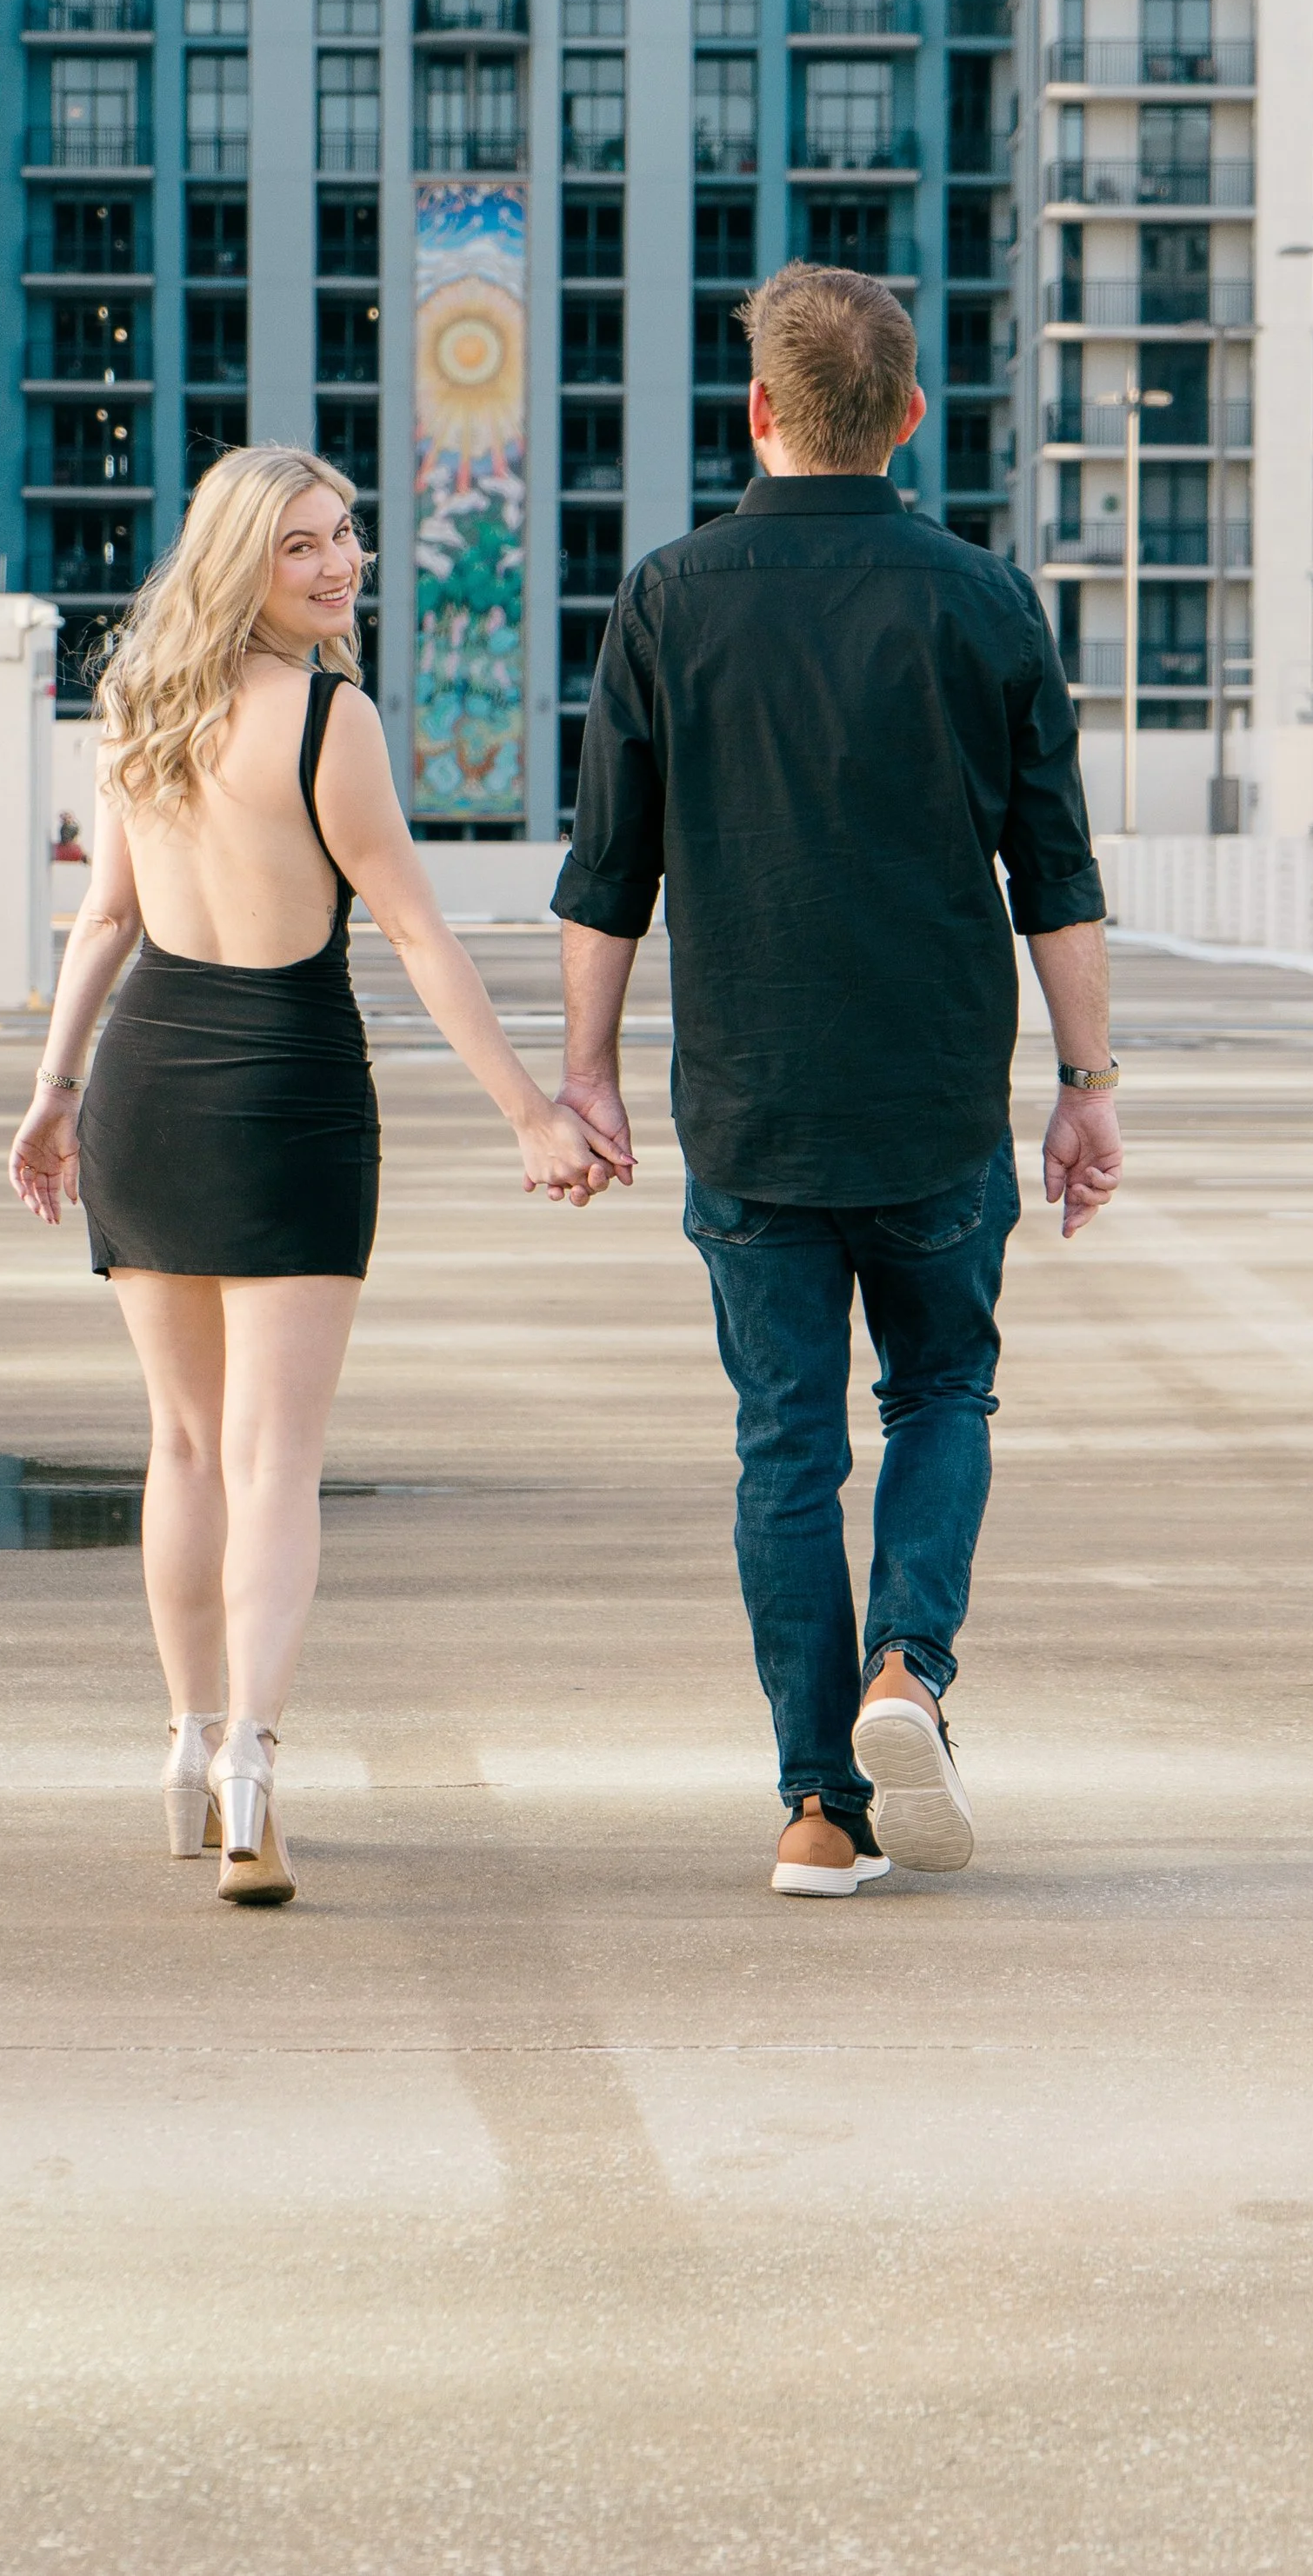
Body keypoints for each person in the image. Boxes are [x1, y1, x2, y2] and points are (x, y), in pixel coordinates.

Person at [550, 264, 1121, 1899]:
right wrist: (1086, 1082)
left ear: (761, 412)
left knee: (785, 1444)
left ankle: (817, 1807)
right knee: (942, 1389)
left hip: (752, 1104)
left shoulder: (667, 597)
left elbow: (611, 876)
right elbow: (1055, 878)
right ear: (910, 418)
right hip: (937, 1101)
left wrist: (586, 1076)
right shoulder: (988, 601)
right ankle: (909, 1673)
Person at [8, 445, 614, 1907]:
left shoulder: (140, 709)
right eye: (302, 546)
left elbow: (101, 924)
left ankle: (184, 1743)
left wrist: (56, 1092)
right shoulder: (331, 721)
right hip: (285, 1088)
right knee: (269, 1456)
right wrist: (531, 1109)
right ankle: (255, 1766)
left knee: (189, 1448)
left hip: (150, 1086)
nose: (341, 565)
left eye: (347, 536)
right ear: (242, 563)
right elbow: (415, 935)